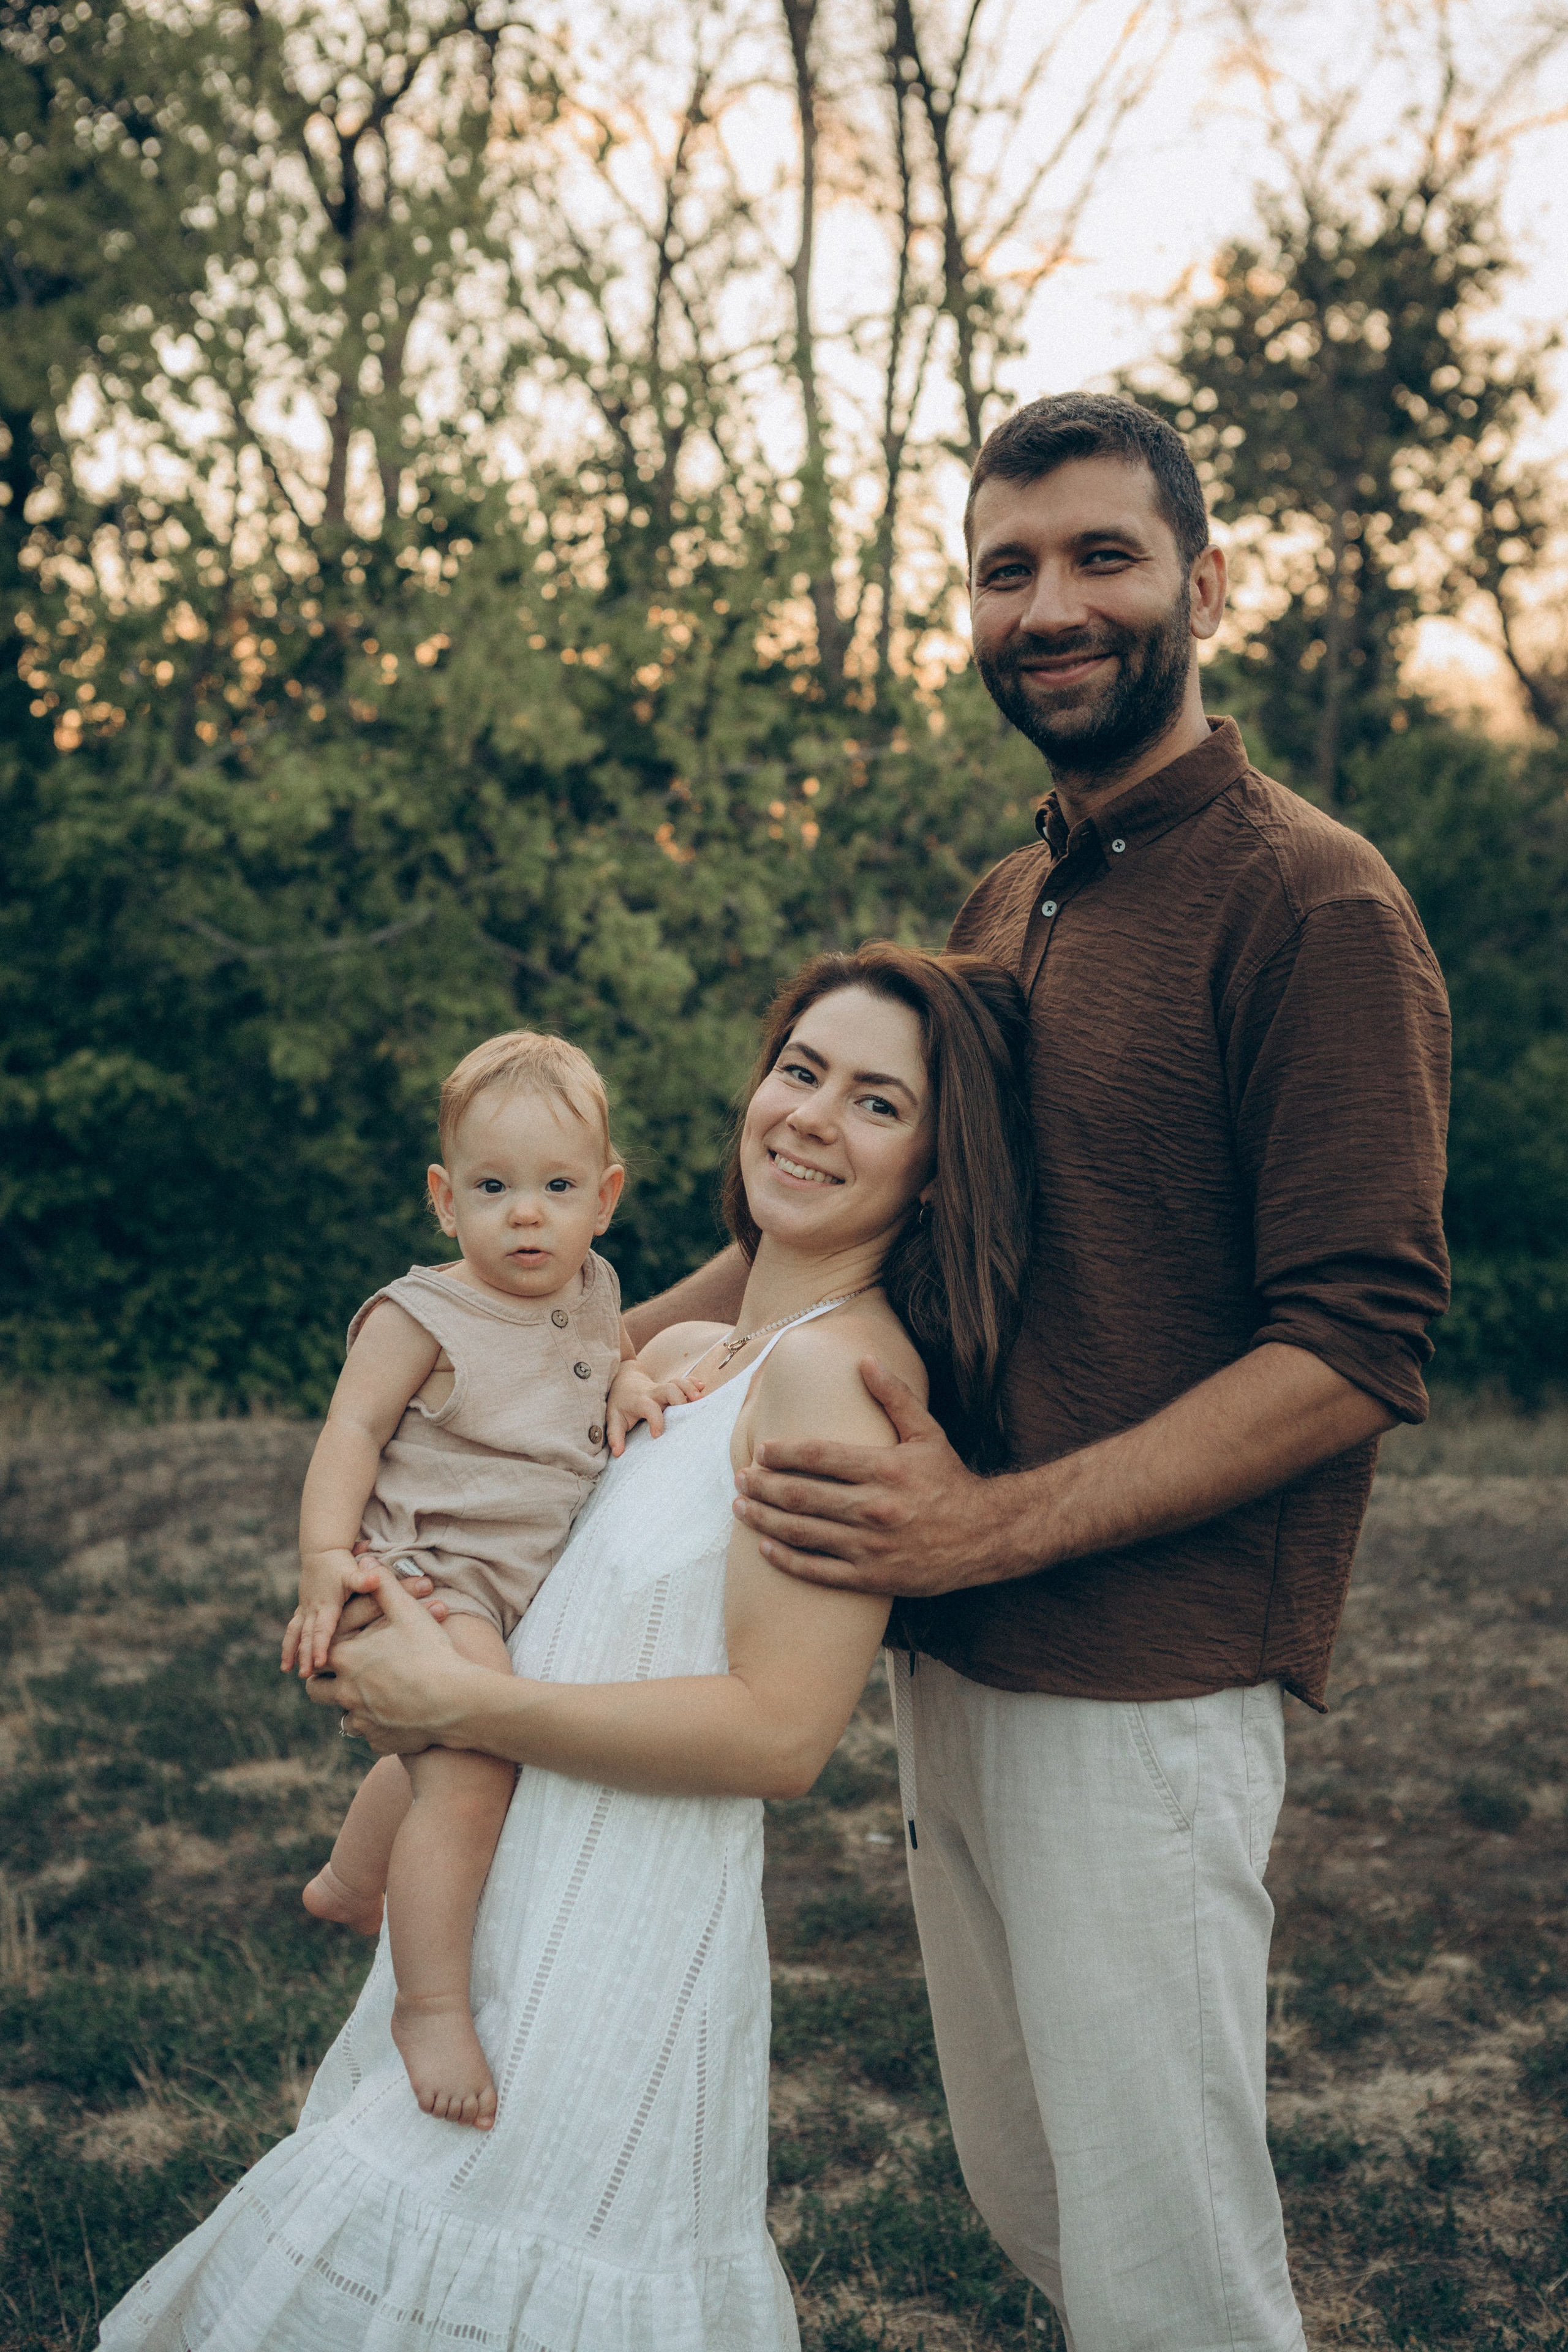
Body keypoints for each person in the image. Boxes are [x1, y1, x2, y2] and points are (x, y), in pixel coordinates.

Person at [625, 393, 1452, 2352]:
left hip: (1142, 1679)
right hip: (953, 1654)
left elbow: (1351, 1348)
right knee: (1036, 2199)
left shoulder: (1314, 904)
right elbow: (861, 1211)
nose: (1051, 605)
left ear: (1205, 583)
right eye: (1010, 569)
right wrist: (592, 1338)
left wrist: (987, 1524)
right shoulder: (1016, 900)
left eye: (1101, 556)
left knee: (1175, 2270)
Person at [99, 943, 1035, 2352]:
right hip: (516, 1896)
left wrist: (461, 1698)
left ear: (938, 1164)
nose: (809, 1117)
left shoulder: (838, 1381)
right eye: (797, 1071)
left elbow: (779, 1737)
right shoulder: (703, 1334)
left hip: (621, 1936)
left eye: (877, 1103)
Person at [277, 1027, 682, 2132]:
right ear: (443, 1199)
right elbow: (350, 1430)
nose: (526, 1214)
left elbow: (602, 1359)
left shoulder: (595, 1290)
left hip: (501, 1588)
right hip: (421, 1572)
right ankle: (431, 2005)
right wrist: (326, 1563)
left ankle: (355, 1885)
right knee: (474, 1770)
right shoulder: (424, 1313)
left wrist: (631, 1379)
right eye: (493, 1187)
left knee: (440, 1746)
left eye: (557, 1187)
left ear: (604, 1197)